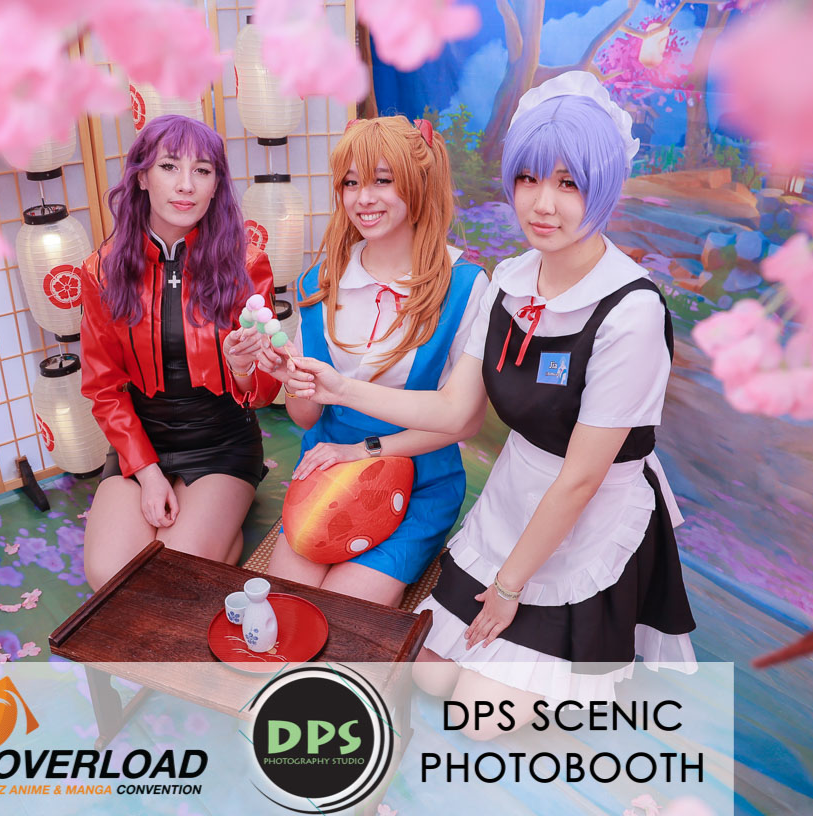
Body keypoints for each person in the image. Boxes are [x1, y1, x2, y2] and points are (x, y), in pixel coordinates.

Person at [280, 73, 696, 733]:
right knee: (429, 673)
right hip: (512, 498)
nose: (543, 204)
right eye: (528, 178)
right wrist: (338, 394)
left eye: (569, 183)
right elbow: (455, 412)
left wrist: (508, 589)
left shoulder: (632, 310)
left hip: (584, 513)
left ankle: (578, 667)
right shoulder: (511, 279)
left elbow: (582, 477)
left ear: (605, 186)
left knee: (479, 717)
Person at [259, 116, 488, 607]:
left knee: (347, 622)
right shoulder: (321, 281)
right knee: (284, 609)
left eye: (382, 180)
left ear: (417, 182)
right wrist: (292, 382)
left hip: (418, 478)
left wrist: (365, 450)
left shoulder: (464, 286)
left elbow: (462, 421)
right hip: (326, 468)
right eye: (351, 183)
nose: (363, 198)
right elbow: (307, 418)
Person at [80, 115, 279, 591]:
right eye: (169, 166)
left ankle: (220, 528)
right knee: (108, 577)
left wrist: (242, 368)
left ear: (216, 185)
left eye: (202, 171)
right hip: (141, 442)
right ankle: (213, 537)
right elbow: (104, 387)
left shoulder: (246, 264)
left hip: (221, 441)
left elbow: (267, 390)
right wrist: (147, 473)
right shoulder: (101, 271)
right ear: (142, 178)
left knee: (178, 577)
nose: (186, 185)